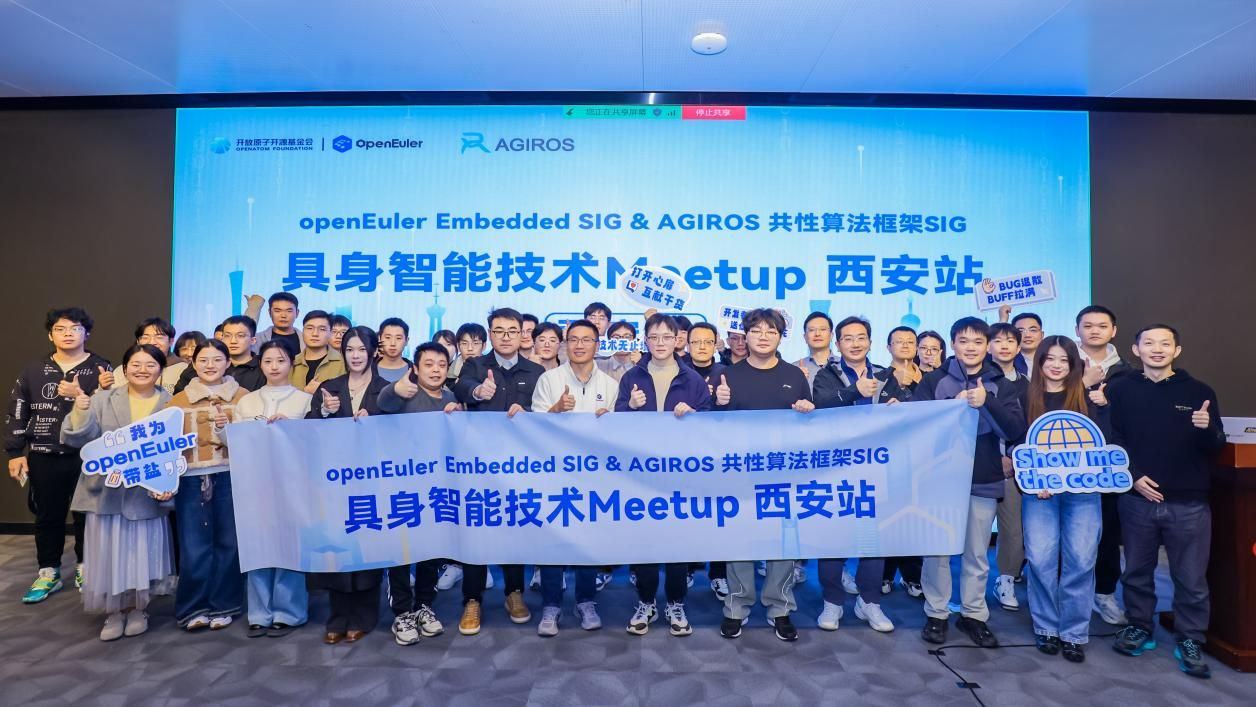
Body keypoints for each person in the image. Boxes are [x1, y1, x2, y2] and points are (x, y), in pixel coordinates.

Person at [1109, 324, 1224, 679]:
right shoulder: (1120, 390)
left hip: (1188, 502)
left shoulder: (1199, 391)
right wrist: (1133, 476)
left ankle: (1190, 639)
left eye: (1165, 343)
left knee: (1191, 578)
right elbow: (1113, 440)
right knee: (1136, 571)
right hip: (1136, 498)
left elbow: (1215, 446)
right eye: (1149, 343)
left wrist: (1207, 428)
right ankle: (1139, 626)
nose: (1157, 349)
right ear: (1136, 349)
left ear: (1177, 351)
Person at [914, 317, 1027, 649]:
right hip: (939, 479)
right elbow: (916, 427)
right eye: (963, 341)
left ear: (987, 346)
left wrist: (986, 401)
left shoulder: (1000, 383)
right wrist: (953, 407)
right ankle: (936, 613)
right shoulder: (933, 380)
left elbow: (1015, 430)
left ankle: (974, 615)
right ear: (953, 344)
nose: (971, 347)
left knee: (977, 553)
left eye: (978, 341)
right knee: (936, 552)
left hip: (983, 477)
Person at [61, 344, 176, 640]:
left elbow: (176, 451)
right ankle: (113, 612)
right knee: (109, 556)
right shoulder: (102, 399)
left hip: (148, 493)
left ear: (161, 370)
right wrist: (81, 408)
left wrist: (169, 486)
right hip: (106, 493)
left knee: (141, 554)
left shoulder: (172, 404)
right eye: (135, 364)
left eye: (150, 365)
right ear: (124, 369)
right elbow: (78, 439)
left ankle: (139, 609)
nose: (142, 370)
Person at [715, 308, 815, 642]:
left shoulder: (794, 375)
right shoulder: (729, 376)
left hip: (783, 472)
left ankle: (780, 607)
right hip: (739, 473)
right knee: (739, 541)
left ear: (780, 337)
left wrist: (807, 410)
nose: (763, 336)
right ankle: (736, 606)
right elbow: (713, 428)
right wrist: (719, 403)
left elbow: (810, 425)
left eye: (771, 331)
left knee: (782, 542)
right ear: (745, 335)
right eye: (756, 330)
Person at [5, 307, 113, 603]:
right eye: (61, 329)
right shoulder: (33, 370)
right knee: (47, 515)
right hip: (44, 453)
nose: (68, 334)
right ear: (50, 335)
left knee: (87, 515)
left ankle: (86, 567)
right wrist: (15, 452)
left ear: (86, 334)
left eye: (75, 328)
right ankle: (48, 571)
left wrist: (90, 394)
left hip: (88, 455)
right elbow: (17, 410)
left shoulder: (102, 368)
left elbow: (110, 411)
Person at [615, 313, 711, 637]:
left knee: (676, 543)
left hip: (680, 474)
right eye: (653, 337)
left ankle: (675, 603)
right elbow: (615, 424)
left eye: (666, 337)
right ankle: (645, 602)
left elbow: (710, 425)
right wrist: (630, 406)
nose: (659, 343)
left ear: (677, 340)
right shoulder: (631, 377)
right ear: (645, 340)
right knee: (644, 541)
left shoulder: (692, 379)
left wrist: (694, 415)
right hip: (641, 474)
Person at [452, 307, 544, 635]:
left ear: (522, 334)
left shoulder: (535, 371)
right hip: (478, 465)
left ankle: (514, 592)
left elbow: (544, 412)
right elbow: (462, 388)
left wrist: (529, 411)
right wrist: (478, 392)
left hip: (519, 466)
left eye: (512, 331)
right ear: (490, 334)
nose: (505, 337)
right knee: (477, 529)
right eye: (499, 331)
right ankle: (472, 599)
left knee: (514, 529)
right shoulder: (475, 365)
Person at [1017, 336, 1106, 663]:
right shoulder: (1025, 396)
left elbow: (1105, 443)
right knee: (1040, 558)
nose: (1056, 365)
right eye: (1049, 359)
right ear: (1039, 362)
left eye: (1064, 360)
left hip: (1084, 492)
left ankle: (1073, 633)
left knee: (1081, 560)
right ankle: (1046, 627)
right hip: (1039, 493)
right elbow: (1017, 442)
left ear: (1074, 365)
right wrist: (1036, 477)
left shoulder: (1090, 398)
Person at [812, 316, 903, 633]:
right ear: (838, 344)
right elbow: (821, 405)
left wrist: (898, 405)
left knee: (873, 538)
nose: (855, 343)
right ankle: (832, 602)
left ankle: (869, 602)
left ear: (870, 342)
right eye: (848, 338)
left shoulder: (885, 375)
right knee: (832, 538)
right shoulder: (825, 375)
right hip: (835, 468)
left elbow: (906, 413)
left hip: (875, 468)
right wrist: (854, 391)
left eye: (861, 337)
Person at [530, 318, 618, 637]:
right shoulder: (549, 379)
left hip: (594, 475)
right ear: (566, 345)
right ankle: (551, 605)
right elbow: (531, 429)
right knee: (553, 538)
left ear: (597, 345)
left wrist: (609, 422)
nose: (579, 345)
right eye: (574, 340)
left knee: (588, 539)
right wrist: (555, 410)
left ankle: (586, 601)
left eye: (587, 340)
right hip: (554, 472)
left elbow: (618, 435)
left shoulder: (610, 385)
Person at [305, 327, 388, 644]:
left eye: (361, 349)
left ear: (373, 352)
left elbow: (399, 432)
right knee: (337, 548)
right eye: (350, 349)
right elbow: (309, 430)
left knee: (367, 548)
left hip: (372, 480)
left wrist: (375, 421)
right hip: (336, 481)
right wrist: (325, 412)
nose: (355, 355)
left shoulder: (385, 389)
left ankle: (364, 616)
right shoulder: (329, 387)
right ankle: (337, 617)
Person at [378, 342, 461, 645]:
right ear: (415, 368)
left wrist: (458, 415)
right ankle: (402, 612)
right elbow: (384, 402)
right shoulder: (405, 392)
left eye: (442, 364)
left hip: (436, 488)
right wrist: (396, 389)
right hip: (403, 488)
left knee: (431, 551)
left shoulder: (450, 398)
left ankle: (424, 605)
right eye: (429, 364)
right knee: (401, 552)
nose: (436, 370)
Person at [230, 340, 313, 638]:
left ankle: (289, 611)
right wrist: (220, 429)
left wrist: (291, 427)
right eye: (268, 361)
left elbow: (314, 442)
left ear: (291, 363)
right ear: (260, 364)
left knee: (290, 545)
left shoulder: (305, 400)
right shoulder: (246, 402)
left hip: (293, 483)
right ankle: (258, 612)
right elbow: (235, 443)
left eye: (280, 360)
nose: (274, 366)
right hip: (254, 483)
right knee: (257, 545)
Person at [166, 339, 248, 631]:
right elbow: (165, 446)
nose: (210, 365)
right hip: (190, 479)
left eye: (216, 360)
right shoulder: (177, 401)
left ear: (228, 363)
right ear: (193, 363)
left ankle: (225, 604)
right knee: (193, 545)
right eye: (203, 360)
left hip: (231, 476)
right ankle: (193, 607)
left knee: (229, 543)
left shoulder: (244, 397)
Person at [1075, 305, 1134, 625]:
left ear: (1113, 331)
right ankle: (1068, 596)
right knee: (1069, 537)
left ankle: (1104, 593)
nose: (1094, 330)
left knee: (1108, 534)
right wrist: (1082, 384)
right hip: (1068, 464)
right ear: (1077, 330)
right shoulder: (1063, 363)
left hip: (1109, 465)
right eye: (1088, 325)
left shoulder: (1128, 372)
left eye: (1102, 325)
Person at [987, 322, 1029, 612]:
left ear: (1018, 346)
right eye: (997, 340)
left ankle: (1006, 579)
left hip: (1014, 467)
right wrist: (994, 457)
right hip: (980, 466)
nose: (1004, 346)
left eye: (1010, 341)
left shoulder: (1028, 384)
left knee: (1012, 529)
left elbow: (1030, 425)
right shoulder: (978, 379)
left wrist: (1013, 457)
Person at [882, 326, 925, 597]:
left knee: (913, 517)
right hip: (885, 459)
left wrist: (915, 385)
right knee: (888, 517)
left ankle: (912, 575)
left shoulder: (929, 379)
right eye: (899, 341)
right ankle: (885, 574)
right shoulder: (879, 376)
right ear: (888, 347)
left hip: (920, 458)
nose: (905, 345)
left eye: (910, 341)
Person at [173, 316, 265, 393]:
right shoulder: (202, 364)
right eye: (227, 336)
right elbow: (178, 396)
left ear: (253, 340)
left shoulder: (263, 367)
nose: (233, 341)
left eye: (240, 336)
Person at [290, 310, 346, 393]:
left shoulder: (344, 363)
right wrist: (304, 393)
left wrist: (323, 392)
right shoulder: (291, 364)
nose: (315, 334)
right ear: (303, 331)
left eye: (322, 329)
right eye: (310, 328)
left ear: (330, 333)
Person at [134, 318, 187, 393]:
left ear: (171, 341)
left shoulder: (184, 369)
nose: (152, 342)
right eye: (145, 337)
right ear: (138, 342)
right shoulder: (126, 369)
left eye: (159, 337)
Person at [795, 312, 835, 389]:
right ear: (805, 337)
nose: (817, 334)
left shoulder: (845, 365)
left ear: (831, 336)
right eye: (811, 330)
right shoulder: (794, 369)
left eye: (823, 329)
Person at [376, 317, 413, 384]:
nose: (393, 343)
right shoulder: (368, 370)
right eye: (388, 337)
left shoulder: (416, 371)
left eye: (398, 338)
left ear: (406, 341)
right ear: (379, 339)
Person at [1011, 312, 1044, 380]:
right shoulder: (1008, 362)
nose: (1027, 335)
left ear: (1042, 335)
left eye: (1033, 330)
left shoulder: (1051, 360)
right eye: (1021, 331)